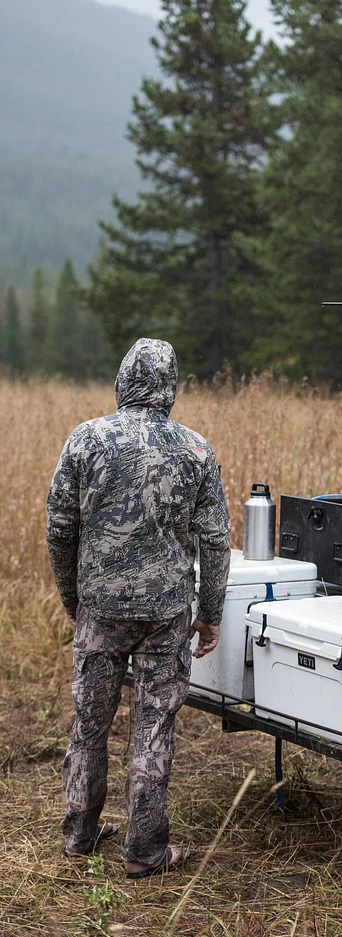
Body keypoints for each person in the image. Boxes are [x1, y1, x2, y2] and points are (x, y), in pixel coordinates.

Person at [46, 338, 230, 879]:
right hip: (165, 612)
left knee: (90, 721)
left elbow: (59, 529)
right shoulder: (195, 449)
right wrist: (211, 611)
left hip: (99, 608)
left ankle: (79, 835)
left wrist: (72, 598)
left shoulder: (86, 439)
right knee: (154, 728)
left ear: (123, 380)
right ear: (171, 388)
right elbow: (216, 541)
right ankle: (144, 850)